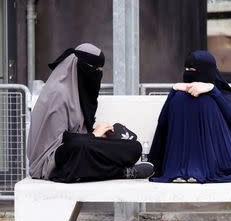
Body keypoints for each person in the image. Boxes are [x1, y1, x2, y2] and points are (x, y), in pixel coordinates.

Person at [27, 43, 153, 182]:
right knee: (80, 148)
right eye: (96, 69)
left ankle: (117, 162)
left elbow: (80, 132)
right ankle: (123, 172)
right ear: (81, 67)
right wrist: (93, 135)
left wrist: (98, 134)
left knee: (134, 148)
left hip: (78, 146)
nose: (98, 74)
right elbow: (57, 141)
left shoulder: (76, 89)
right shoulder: (58, 93)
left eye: (100, 70)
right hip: (50, 161)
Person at [148, 50, 231, 183]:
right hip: (181, 156)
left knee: (205, 101)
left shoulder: (225, 95)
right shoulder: (180, 95)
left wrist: (212, 90)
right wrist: (174, 91)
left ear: (207, 70)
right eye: (186, 69)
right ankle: (184, 169)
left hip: (220, 154)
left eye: (192, 69)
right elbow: (162, 123)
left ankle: (196, 169)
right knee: (181, 98)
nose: (188, 74)